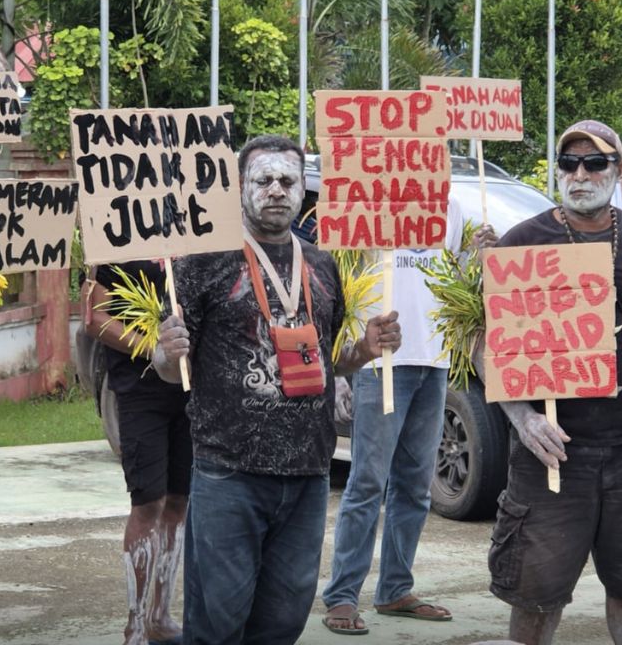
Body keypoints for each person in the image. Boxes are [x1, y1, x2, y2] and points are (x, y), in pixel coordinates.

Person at [153, 134, 402, 644]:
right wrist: (164, 352)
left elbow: (327, 362)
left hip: (308, 474)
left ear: (303, 191)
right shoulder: (203, 261)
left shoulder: (322, 266)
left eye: (288, 181)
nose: (275, 190)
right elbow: (167, 371)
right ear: (240, 188)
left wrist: (363, 351)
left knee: (282, 623)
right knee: (218, 624)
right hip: (229, 473)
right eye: (262, 180)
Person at [486, 120, 622, 645]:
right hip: (552, 455)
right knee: (535, 593)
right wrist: (524, 418)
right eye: (569, 164)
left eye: (595, 163)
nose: (580, 174)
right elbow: (485, 346)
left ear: (619, 172)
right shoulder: (522, 241)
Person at [320, 193, 463, 634]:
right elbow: (336, 283)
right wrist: (344, 368)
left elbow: (448, 277)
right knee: (367, 483)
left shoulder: (452, 207)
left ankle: (395, 588)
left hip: (433, 360)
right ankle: (342, 596)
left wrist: (476, 260)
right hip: (380, 361)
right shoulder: (361, 198)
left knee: (416, 488)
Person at [87, 260, 190, 645]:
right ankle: (136, 623)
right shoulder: (116, 242)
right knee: (149, 502)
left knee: (180, 500)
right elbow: (95, 319)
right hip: (140, 390)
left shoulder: (197, 233)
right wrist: (156, 351)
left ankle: (160, 615)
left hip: (191, 387)